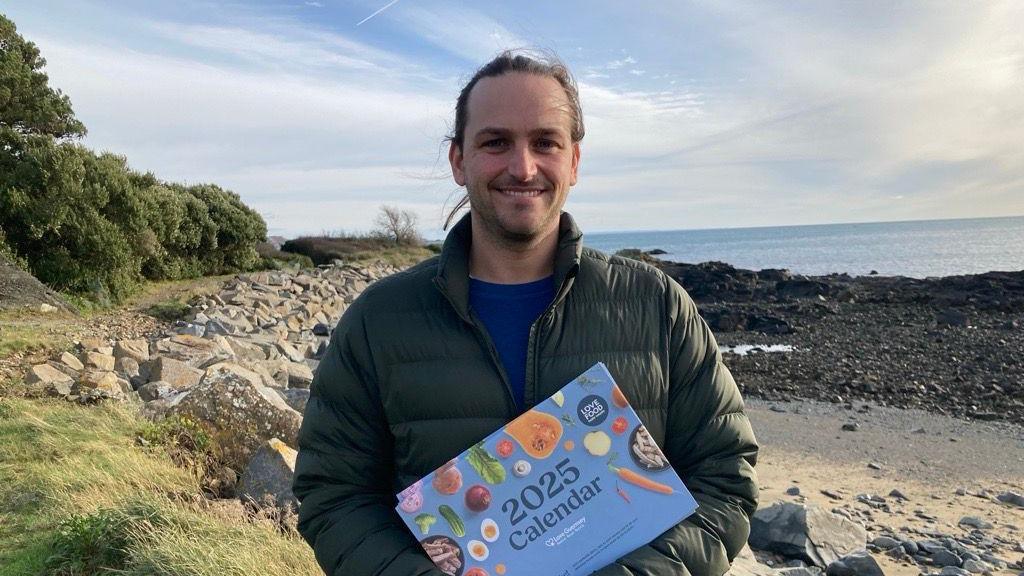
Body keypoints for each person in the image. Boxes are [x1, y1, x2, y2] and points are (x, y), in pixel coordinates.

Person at [293, 50, 759, 576]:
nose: (522, 167)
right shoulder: (380, 320)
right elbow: (334, 495)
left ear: (574, 162)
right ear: (458, 160)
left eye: (545, 142)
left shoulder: (656, 304)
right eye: (496, 142)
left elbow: (724, 477)